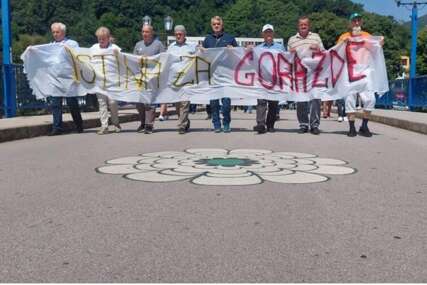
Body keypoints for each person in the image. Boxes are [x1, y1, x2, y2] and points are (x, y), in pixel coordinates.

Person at [337, 13, 384, 137]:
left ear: (361, 22)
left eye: (358, 21)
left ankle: (364, 126)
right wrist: (343, 43)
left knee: (370, 99)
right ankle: (351, 127)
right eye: (354, 21)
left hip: (365, 71)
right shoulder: (344, 37)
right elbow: (337, 54)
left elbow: (375, 49)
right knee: (349, 98)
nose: (356, 23)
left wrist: (380, 43)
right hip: (349, 71)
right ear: (350, 23)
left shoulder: (367, 36)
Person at [288, 16, 325, 135]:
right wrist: (290, 53)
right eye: (301, 25)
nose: (303, 26)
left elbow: (324, 53)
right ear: (297, 26)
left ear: (309, 26)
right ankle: (303, 124)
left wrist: (318, 48)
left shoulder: (316, 37)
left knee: (315, 99)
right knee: (301, 100)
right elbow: (286, 58)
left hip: (314, 74)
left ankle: (314, 125)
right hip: (299, 74)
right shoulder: (292, 40)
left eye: (305, 24)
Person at [201, 16, 238, 133]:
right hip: (212, 76)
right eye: (214, 24)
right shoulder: (207, 40)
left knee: (226, 103)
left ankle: (226, 122)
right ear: (211, 26)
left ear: (222, 25)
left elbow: (238, 56)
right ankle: (216, 124)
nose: (216, 25)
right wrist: (200, 51)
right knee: (214, 103)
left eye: (218, 24)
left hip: (226, 76)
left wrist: (233, 50)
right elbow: (203, 57)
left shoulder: (230, 38)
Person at [47, 22, 83, 136]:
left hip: (69, 78)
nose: (55, 34)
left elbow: (78, 56)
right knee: (55, 103)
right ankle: (57, 127)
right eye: (53, 32)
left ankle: (79, 125)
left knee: (72, 103)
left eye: (57, 32)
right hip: (56, 78)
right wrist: (32, 50)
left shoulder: (72, 43)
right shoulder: (50, 45)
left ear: (63, 32)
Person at [252, 24, 284, 134]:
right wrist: (248, 50)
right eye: (266, 32)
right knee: (261, 102)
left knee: (273, 103)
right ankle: (260, 124)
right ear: (263, 34)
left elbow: (285, 61)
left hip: (275, 79)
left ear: (273, 34)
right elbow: (250, 60)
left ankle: (270, 125)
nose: (268, 34)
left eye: (270, 32)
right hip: (262, 80)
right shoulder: (258, 48)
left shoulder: (280, 48)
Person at [133, 24, 165, 134]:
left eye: (147, 32)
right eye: (143, 32)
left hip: (153, 77)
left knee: (150, 102)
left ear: (152, 33)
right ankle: (143, 122)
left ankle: (149, 125)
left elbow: (164, 59)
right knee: (139, 102)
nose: (145, 34)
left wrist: (151, 61)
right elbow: (133, 60)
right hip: (141, 78)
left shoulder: (158, 45)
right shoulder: (138, 45)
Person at [90, 27, 122, 135]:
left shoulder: (115, 48)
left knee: (113, 103)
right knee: (102, 103)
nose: (101, 41)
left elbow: (123, 62)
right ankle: (104, 126)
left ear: (108, 38)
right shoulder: (93, 48)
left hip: (112, 81)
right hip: (99, 81)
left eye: (103, 38)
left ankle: (116, 123)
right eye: (99, 38)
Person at [167, 25, 197, 134]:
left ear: (184, 34)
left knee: (185, 102)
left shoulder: (192, 47)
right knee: (177, 104)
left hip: (187, 79)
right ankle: (184, 120)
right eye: (176, 34)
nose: (178, 36)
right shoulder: (171, 47)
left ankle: (182, 125)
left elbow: (200, 57)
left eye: (180, 34)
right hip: (175, 80)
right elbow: (166, 61)